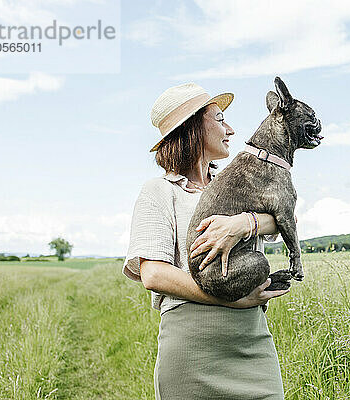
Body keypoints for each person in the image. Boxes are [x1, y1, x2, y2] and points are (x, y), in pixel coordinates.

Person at [122, 82, 289, 399]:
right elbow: (153, 273)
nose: (231, 129)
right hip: (191, 350)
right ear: (194, 127)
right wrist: (232, 299)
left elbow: (284, 218)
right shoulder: (160, 192)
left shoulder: (237, 184)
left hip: (253, 342)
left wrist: (243, 223)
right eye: (220, 118)